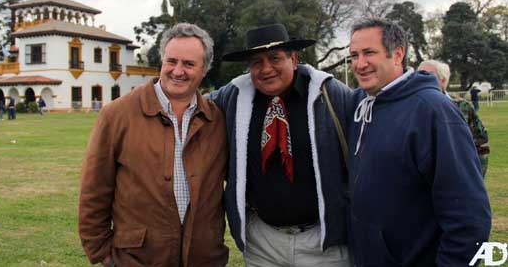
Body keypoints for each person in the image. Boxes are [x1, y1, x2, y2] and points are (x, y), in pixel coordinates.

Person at [79, 23, 228, 267]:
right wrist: (103, 254)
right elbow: (94, 190)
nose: (177, 71)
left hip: (204, 258)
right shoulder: (117, 115)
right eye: (171, 61)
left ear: (204, 70)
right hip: (138, 260)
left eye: (189, 64)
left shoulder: (216, 120)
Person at [348, 18, 491, 267]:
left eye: (369, 53)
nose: (359, 64)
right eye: (354, 55)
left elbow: (469, 219)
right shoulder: (359, 103)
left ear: (397, 55)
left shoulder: (433, 111)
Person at [210, 23, 352, 267]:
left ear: (294, 59)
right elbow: (190, 105)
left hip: (322, 243)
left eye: (275, 58)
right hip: (263, 242)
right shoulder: (233, 96)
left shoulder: (330, 94)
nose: (266, 69)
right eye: (256, 62)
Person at [418, 60, 490, 177]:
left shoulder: (462, 107)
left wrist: (477, 176)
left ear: (443, 80)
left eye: (428, 76)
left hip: (457, 178)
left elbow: (481, 144)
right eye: (419, 75)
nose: (420, 80)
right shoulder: (410, 106)